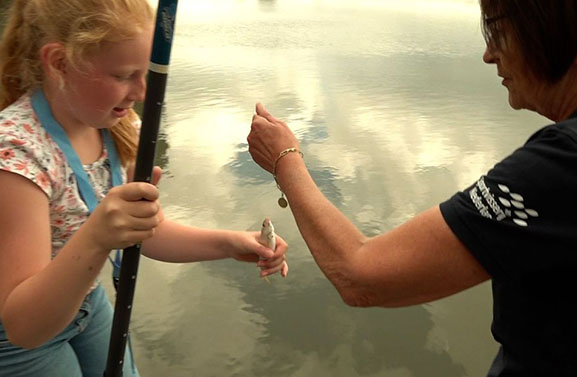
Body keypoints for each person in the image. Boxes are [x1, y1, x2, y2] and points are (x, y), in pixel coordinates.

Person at [247, 0, 577, 376]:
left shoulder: (561, 165)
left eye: (497, 30)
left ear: (551, 26)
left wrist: (284, 159)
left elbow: (360, 275)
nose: (488, 54)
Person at [0, 0, 289, 376]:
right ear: (59, 63)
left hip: (86, 304)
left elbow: (147, 233)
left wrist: (230, 243)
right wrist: (97, 237)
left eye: (145, 73)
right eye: (123, 75)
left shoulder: (118, 127)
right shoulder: (17, 155)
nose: (140, 92)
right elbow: (25, 327)